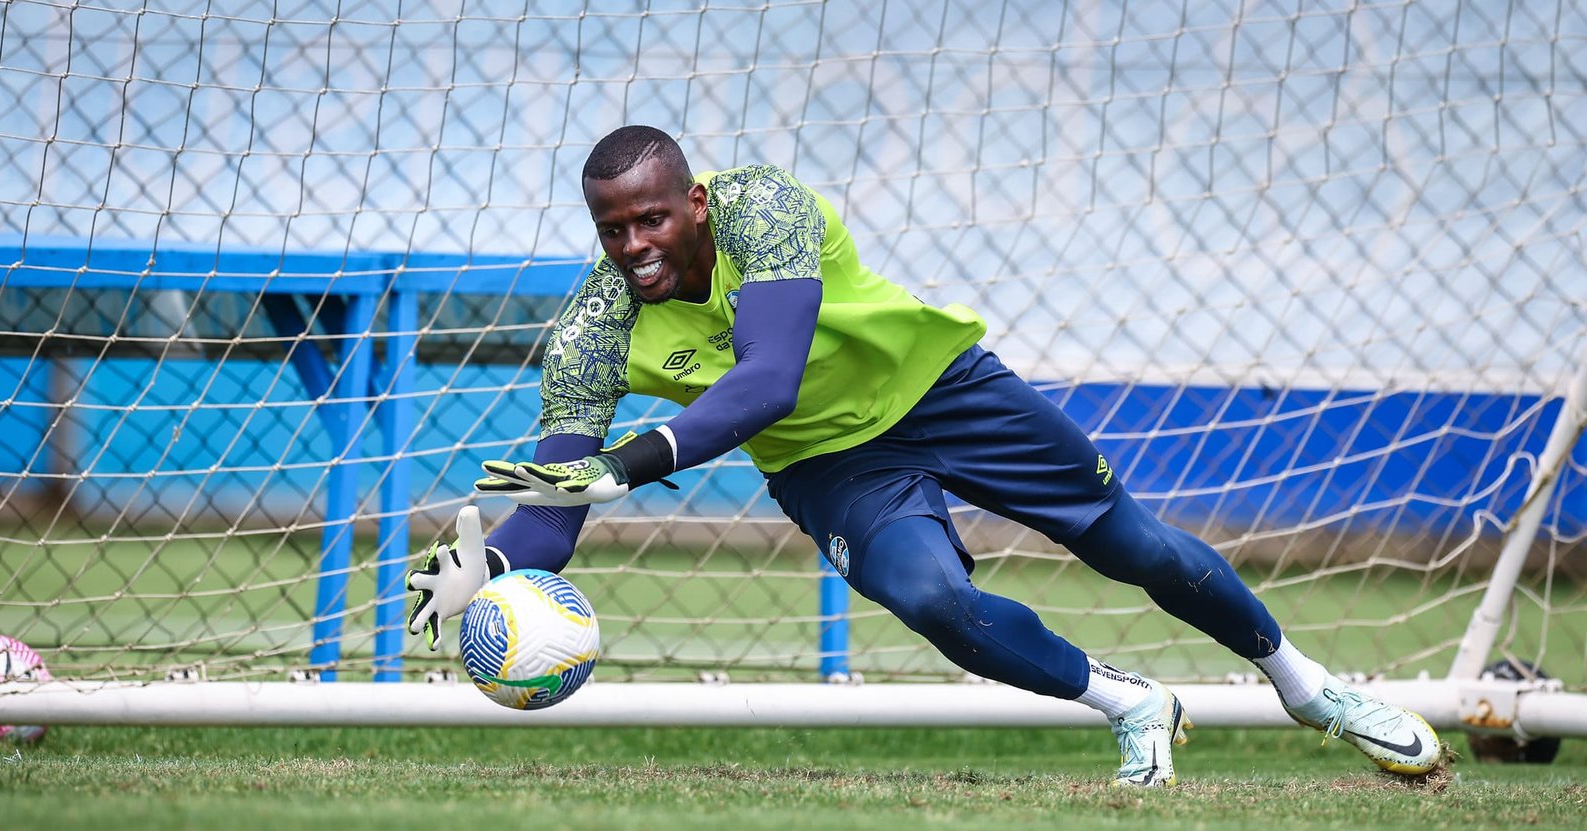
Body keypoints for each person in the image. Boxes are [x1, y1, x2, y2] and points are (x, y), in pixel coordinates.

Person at [407, 124, 1442, 787]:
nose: (631, 245)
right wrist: (494, 568)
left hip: (941, 389)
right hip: (831, 466)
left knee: (1140, 548)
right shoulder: (592, 330)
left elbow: (764, 376)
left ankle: (1309, 689)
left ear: (694, 205)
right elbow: (556, 502)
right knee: (931, 601)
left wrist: (628, 464)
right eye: (609, 228)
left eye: (647, 218)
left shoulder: (761, 204)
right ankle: (1132, 704)